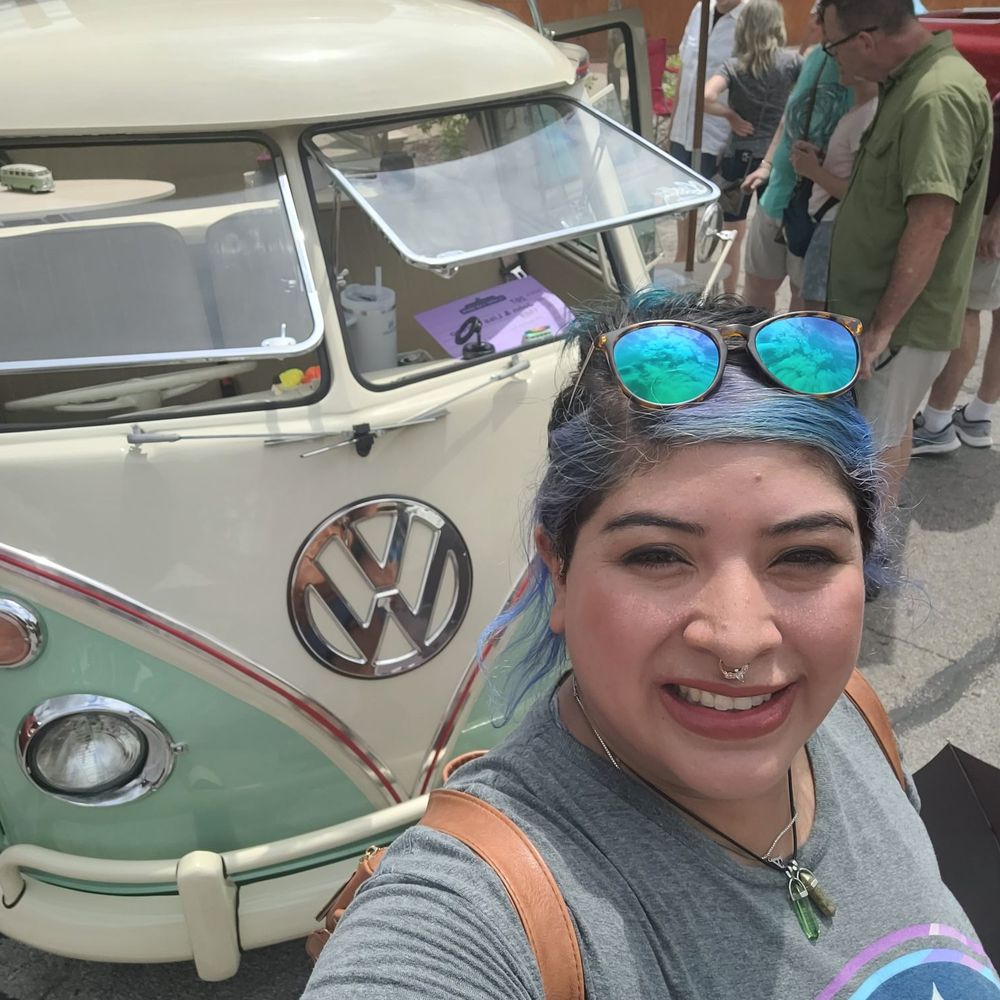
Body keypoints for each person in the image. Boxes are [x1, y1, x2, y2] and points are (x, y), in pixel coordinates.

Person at [301, 291, 995, 1000]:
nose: (738, 640)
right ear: (558, 571)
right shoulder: (475, 910)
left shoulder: (852, 715)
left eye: (805, 556)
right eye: (659, 556)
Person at [821, 0, 993, 503]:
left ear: (865, 41)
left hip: (900, 324)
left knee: (873, 447)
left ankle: (869, 546)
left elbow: (932, 221)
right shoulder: (910, 82)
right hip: (883, 317)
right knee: (884, 434)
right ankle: (871, 539)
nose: (835, 60)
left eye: (833, 47)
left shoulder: (936, 95)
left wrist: (882, 330)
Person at [913, 95, 1000, 455]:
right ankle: (977, 415)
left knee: (967, 310)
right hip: (989, 211)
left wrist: (996, 218)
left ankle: (937, 422)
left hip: (990, 216)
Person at [740, 39, 853, 310]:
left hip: (818, 213)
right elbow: (788, 118)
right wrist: (767, 164)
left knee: (802, 302)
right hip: (775, 198)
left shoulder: (868, 69)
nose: (814, 21)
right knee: (754, 293)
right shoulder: (814, 55)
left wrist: (815, 170)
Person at [704, 0, 801, 293]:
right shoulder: (793, 63)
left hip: (739, 157)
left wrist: (731, 117)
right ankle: (770, 287)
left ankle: (729, 295)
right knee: (775, 229)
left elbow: (705, 97)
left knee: (730, 231)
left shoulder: (734, 66)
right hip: (777, 159)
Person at [789, 71, 879, 310]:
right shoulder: (861, 109)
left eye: (842, 52)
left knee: (815, 310)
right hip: (829, 223)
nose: (837, 59)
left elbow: (861, 192)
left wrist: (813, 171)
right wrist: (821, 159)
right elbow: (852, 170)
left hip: (833, 225)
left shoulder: (868, 113)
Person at [668, 0, 744, 262]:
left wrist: (736, 138)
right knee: (684, 210)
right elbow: (685, 69)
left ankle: (726, 283)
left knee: (727, 223)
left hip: (719, 137)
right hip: (684, 132)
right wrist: (673, 124)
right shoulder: (700, 10)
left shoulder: (751, 18)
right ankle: (682, 266)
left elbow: (754, 84)